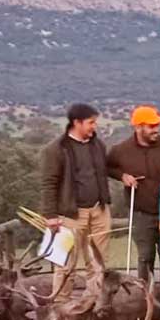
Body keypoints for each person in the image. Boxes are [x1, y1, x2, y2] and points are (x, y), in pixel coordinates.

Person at [107, 105, 160, 294]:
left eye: (157, 125)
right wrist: (122, 176)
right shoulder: (121, 150)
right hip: (140, 213)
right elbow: (107, 167)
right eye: (152, 126)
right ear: (138, 127)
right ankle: (144, 298)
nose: (156, 129)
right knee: (145, 257)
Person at [40, 103, 112, 297]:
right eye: (91, 122)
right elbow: (49, 183)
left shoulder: (98, 145)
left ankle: (95, 301)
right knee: (65, 264)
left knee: (98, 263)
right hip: (69, 215)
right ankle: (60, 304)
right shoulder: (55, 149)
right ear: (76, 123)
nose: (94, 126)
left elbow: (106, 170)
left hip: (99, 210)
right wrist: (50, 215)